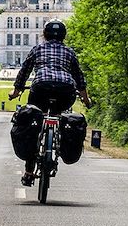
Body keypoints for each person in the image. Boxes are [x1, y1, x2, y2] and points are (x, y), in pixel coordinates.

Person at [8, 19, 90, 186]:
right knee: (59, 115)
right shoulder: (69, 52)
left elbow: (24, 71)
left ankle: (29, 171)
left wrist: (16, 92)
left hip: (40, 89)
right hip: (65, 91)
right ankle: (59, 141)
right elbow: (79, 78)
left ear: (44, 35)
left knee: (34, 124)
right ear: (64, 36)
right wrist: (86, 99)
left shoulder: (38, 49)